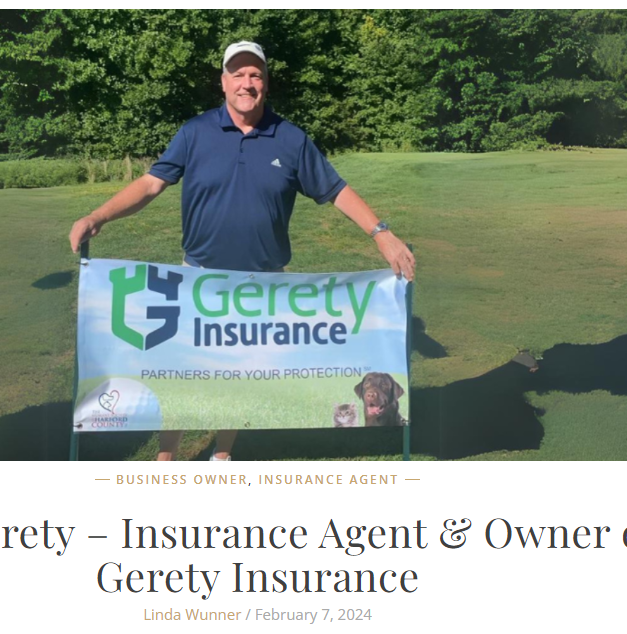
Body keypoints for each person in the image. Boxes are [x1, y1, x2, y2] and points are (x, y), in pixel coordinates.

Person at [69, 41, 415, 461]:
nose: (246, 83)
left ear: (265, 84)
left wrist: (381, 233)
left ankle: (222, 452)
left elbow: (335, 190)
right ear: (223, 81)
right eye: (238, 74)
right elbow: (151, 183)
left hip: (263, 286)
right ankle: (167, 455)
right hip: (198, 279)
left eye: (255, 75)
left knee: (239, 376)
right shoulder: (195, 132)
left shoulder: (290, 138)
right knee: (182, 371)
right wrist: (99, 216)